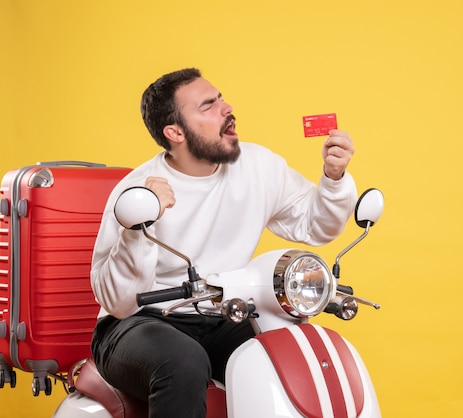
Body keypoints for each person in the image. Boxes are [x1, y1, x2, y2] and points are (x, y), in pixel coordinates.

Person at [89, 67, 357, 417]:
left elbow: (315, 225)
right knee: (183, 361)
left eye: (220, 98)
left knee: (289, 352)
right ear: (175, 132)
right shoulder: (139, 190)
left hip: (223, 315)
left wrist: (333, 179)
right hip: (137, 323)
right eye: (208, 106)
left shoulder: (258, 166)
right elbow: (120, 303)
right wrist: (141, 223)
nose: (226, 107)